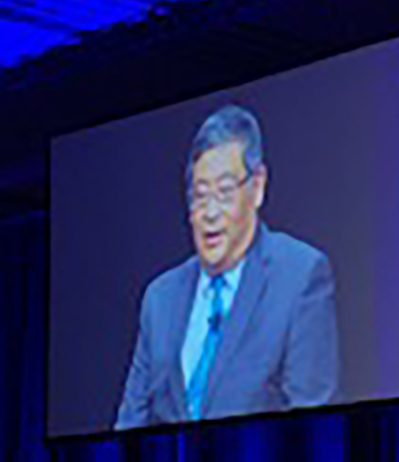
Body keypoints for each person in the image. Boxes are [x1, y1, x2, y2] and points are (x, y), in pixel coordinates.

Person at [115, 104, 339, 430]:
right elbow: (129, 422)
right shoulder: (160, 299)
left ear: (257, 187)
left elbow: (315, 424)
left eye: (224, 193)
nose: (210, 213)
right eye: (200, 196)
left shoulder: (300, 278)